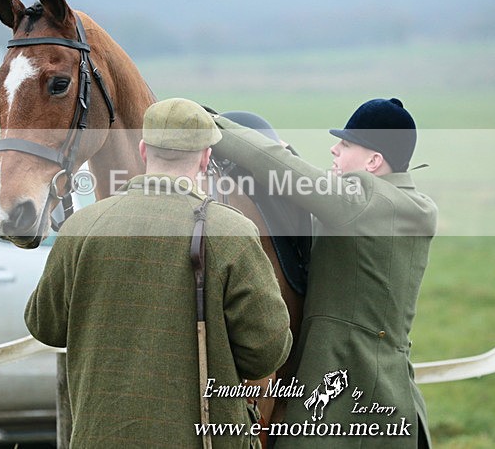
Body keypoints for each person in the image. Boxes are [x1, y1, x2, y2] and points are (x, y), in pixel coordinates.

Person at [24, 97, 293, 448]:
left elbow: (44, 326)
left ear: (143, 152)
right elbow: (267, 351)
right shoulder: (232, 231)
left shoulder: (83, 226)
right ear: (205, 158)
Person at [211, 98, 438, 448]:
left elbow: (283, 169)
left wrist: (209, 124)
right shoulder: (402, 204)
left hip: (351, 399)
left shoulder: (367, 203)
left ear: (374, 161)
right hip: (382, 394)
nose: (334, 149)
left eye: (346, 144)